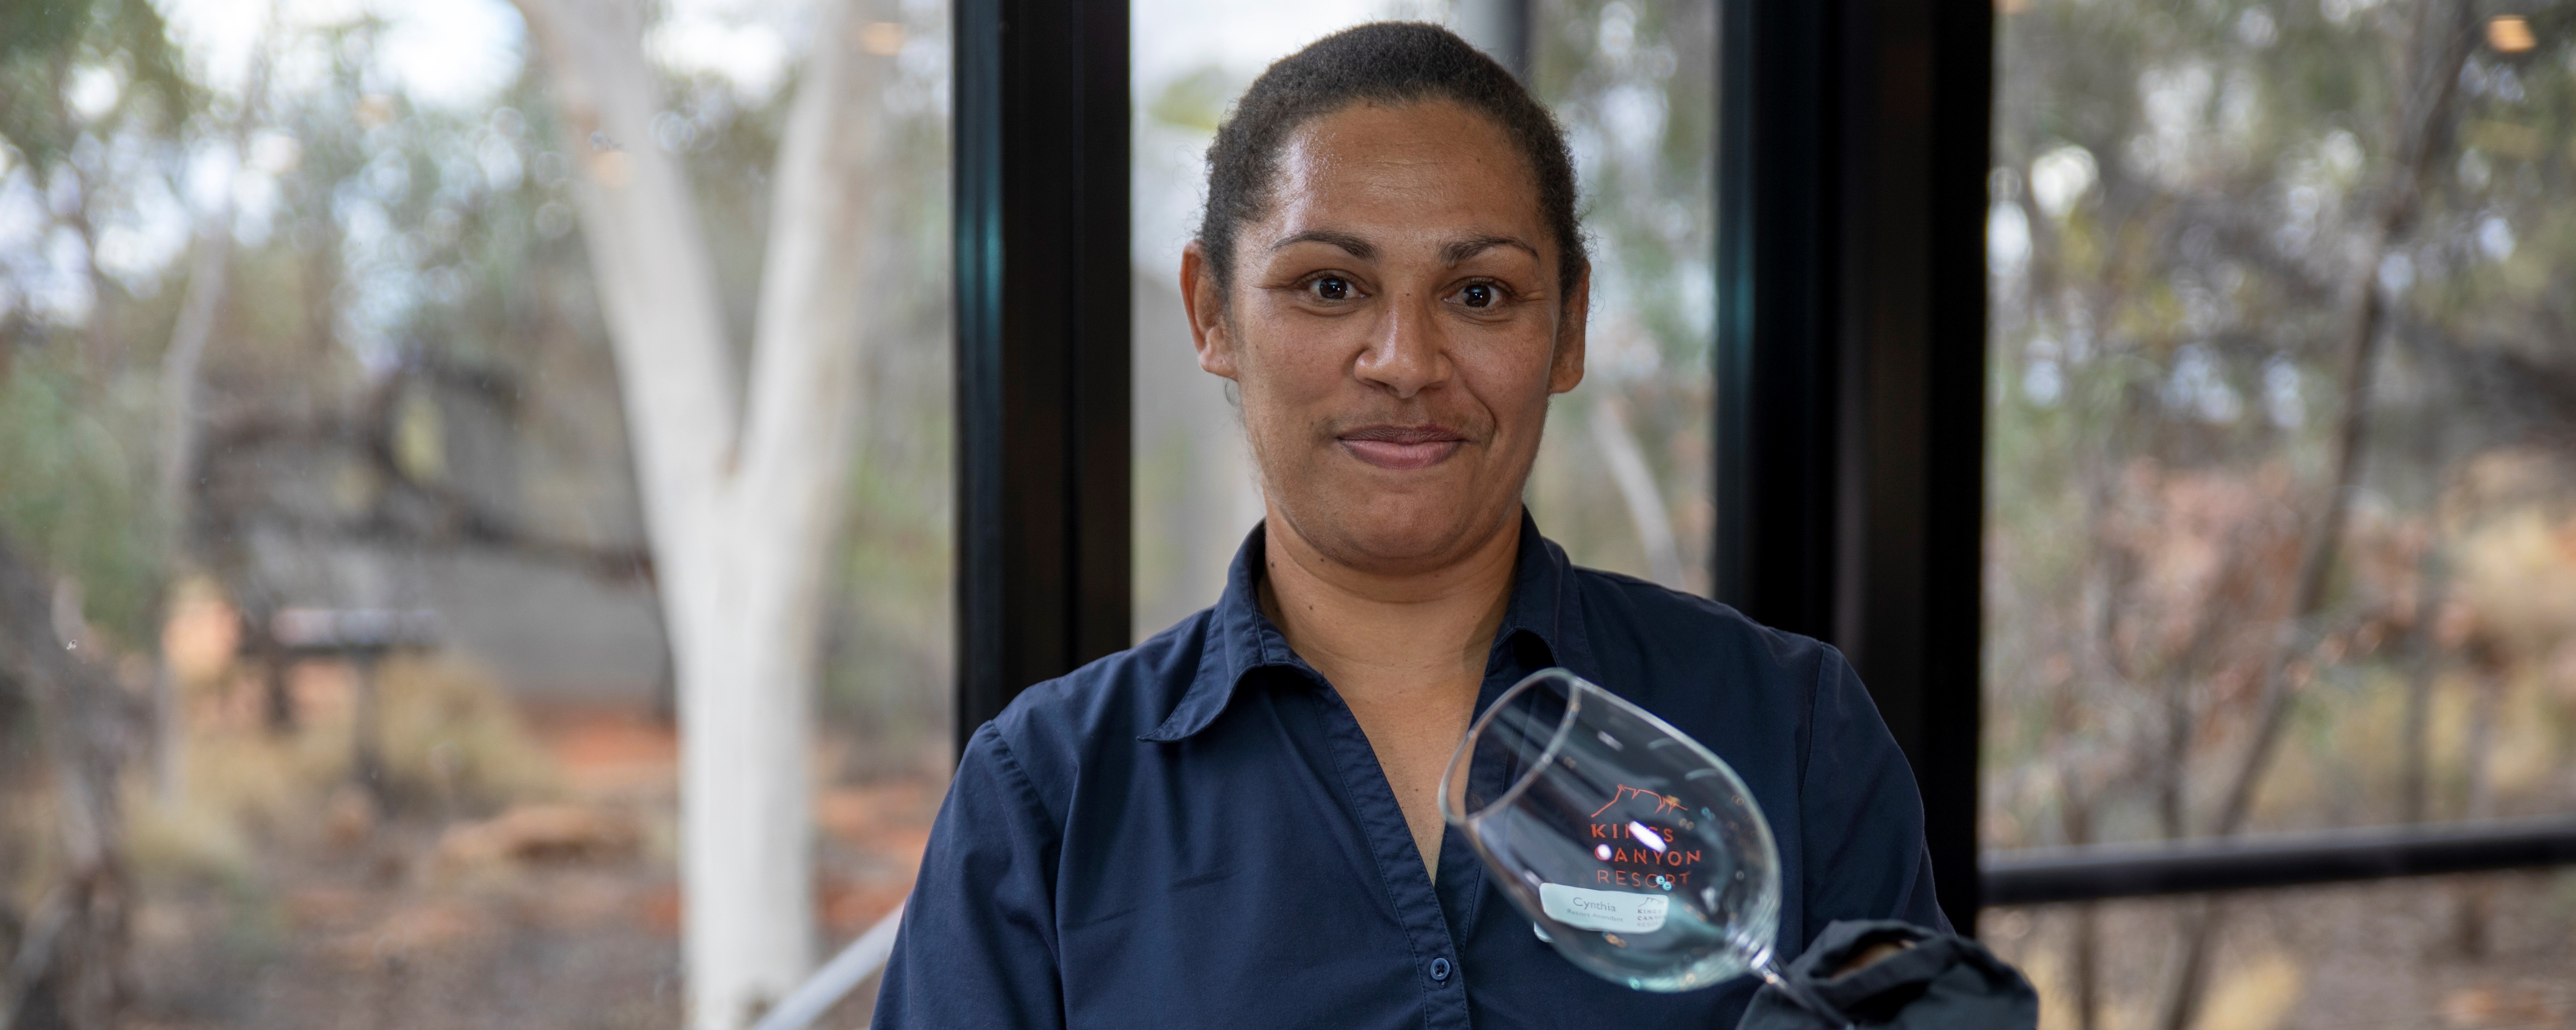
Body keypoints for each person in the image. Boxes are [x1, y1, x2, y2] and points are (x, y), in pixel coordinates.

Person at [874, 22, 1946, 1029]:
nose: (1405, 360)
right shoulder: (1047, 794)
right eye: (1329, 285)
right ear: (1212, 313)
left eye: (1479, 294)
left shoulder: (1793, 734)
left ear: (1568, 326)